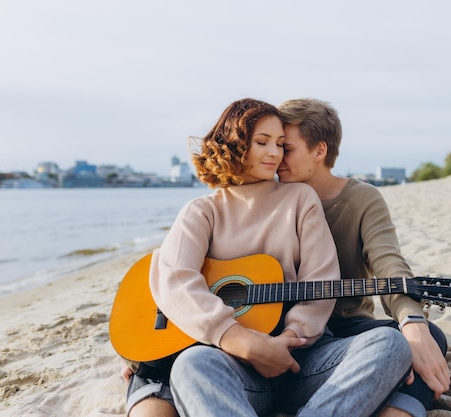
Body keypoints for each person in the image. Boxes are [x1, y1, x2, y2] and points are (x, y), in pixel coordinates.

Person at [121, 98, 413, 417]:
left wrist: (289, 340)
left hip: (302, 361)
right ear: (235, 143)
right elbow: (175, 280)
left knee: (391, 344)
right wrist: (239, 340)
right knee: (191, 364)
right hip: (235, 367)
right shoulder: (202, 212)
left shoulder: (300, 199)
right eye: (262, 142)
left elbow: (321, 280)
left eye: (280, 144)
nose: (274, 153)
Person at [275, 98, 451, 417]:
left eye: (285, 148)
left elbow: (389, 262)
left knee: (429, 336)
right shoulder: (267, 194)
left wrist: (412, 321)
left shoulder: (362, 199)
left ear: (319, 151)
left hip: (347, 329)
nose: (275, 157)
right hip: (283, 329)